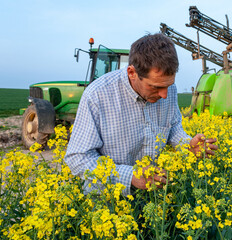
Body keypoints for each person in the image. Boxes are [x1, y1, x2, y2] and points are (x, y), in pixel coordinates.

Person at [64, 33, 218, 196]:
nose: (164, 95)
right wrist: (130, 176)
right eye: (155, 87)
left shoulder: (167, 89)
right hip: (109, 199)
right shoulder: (97, 95)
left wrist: (187, 144)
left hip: (154, 195)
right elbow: (78, 158)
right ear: (132, 72)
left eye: (168, 85)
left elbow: (172, 128)